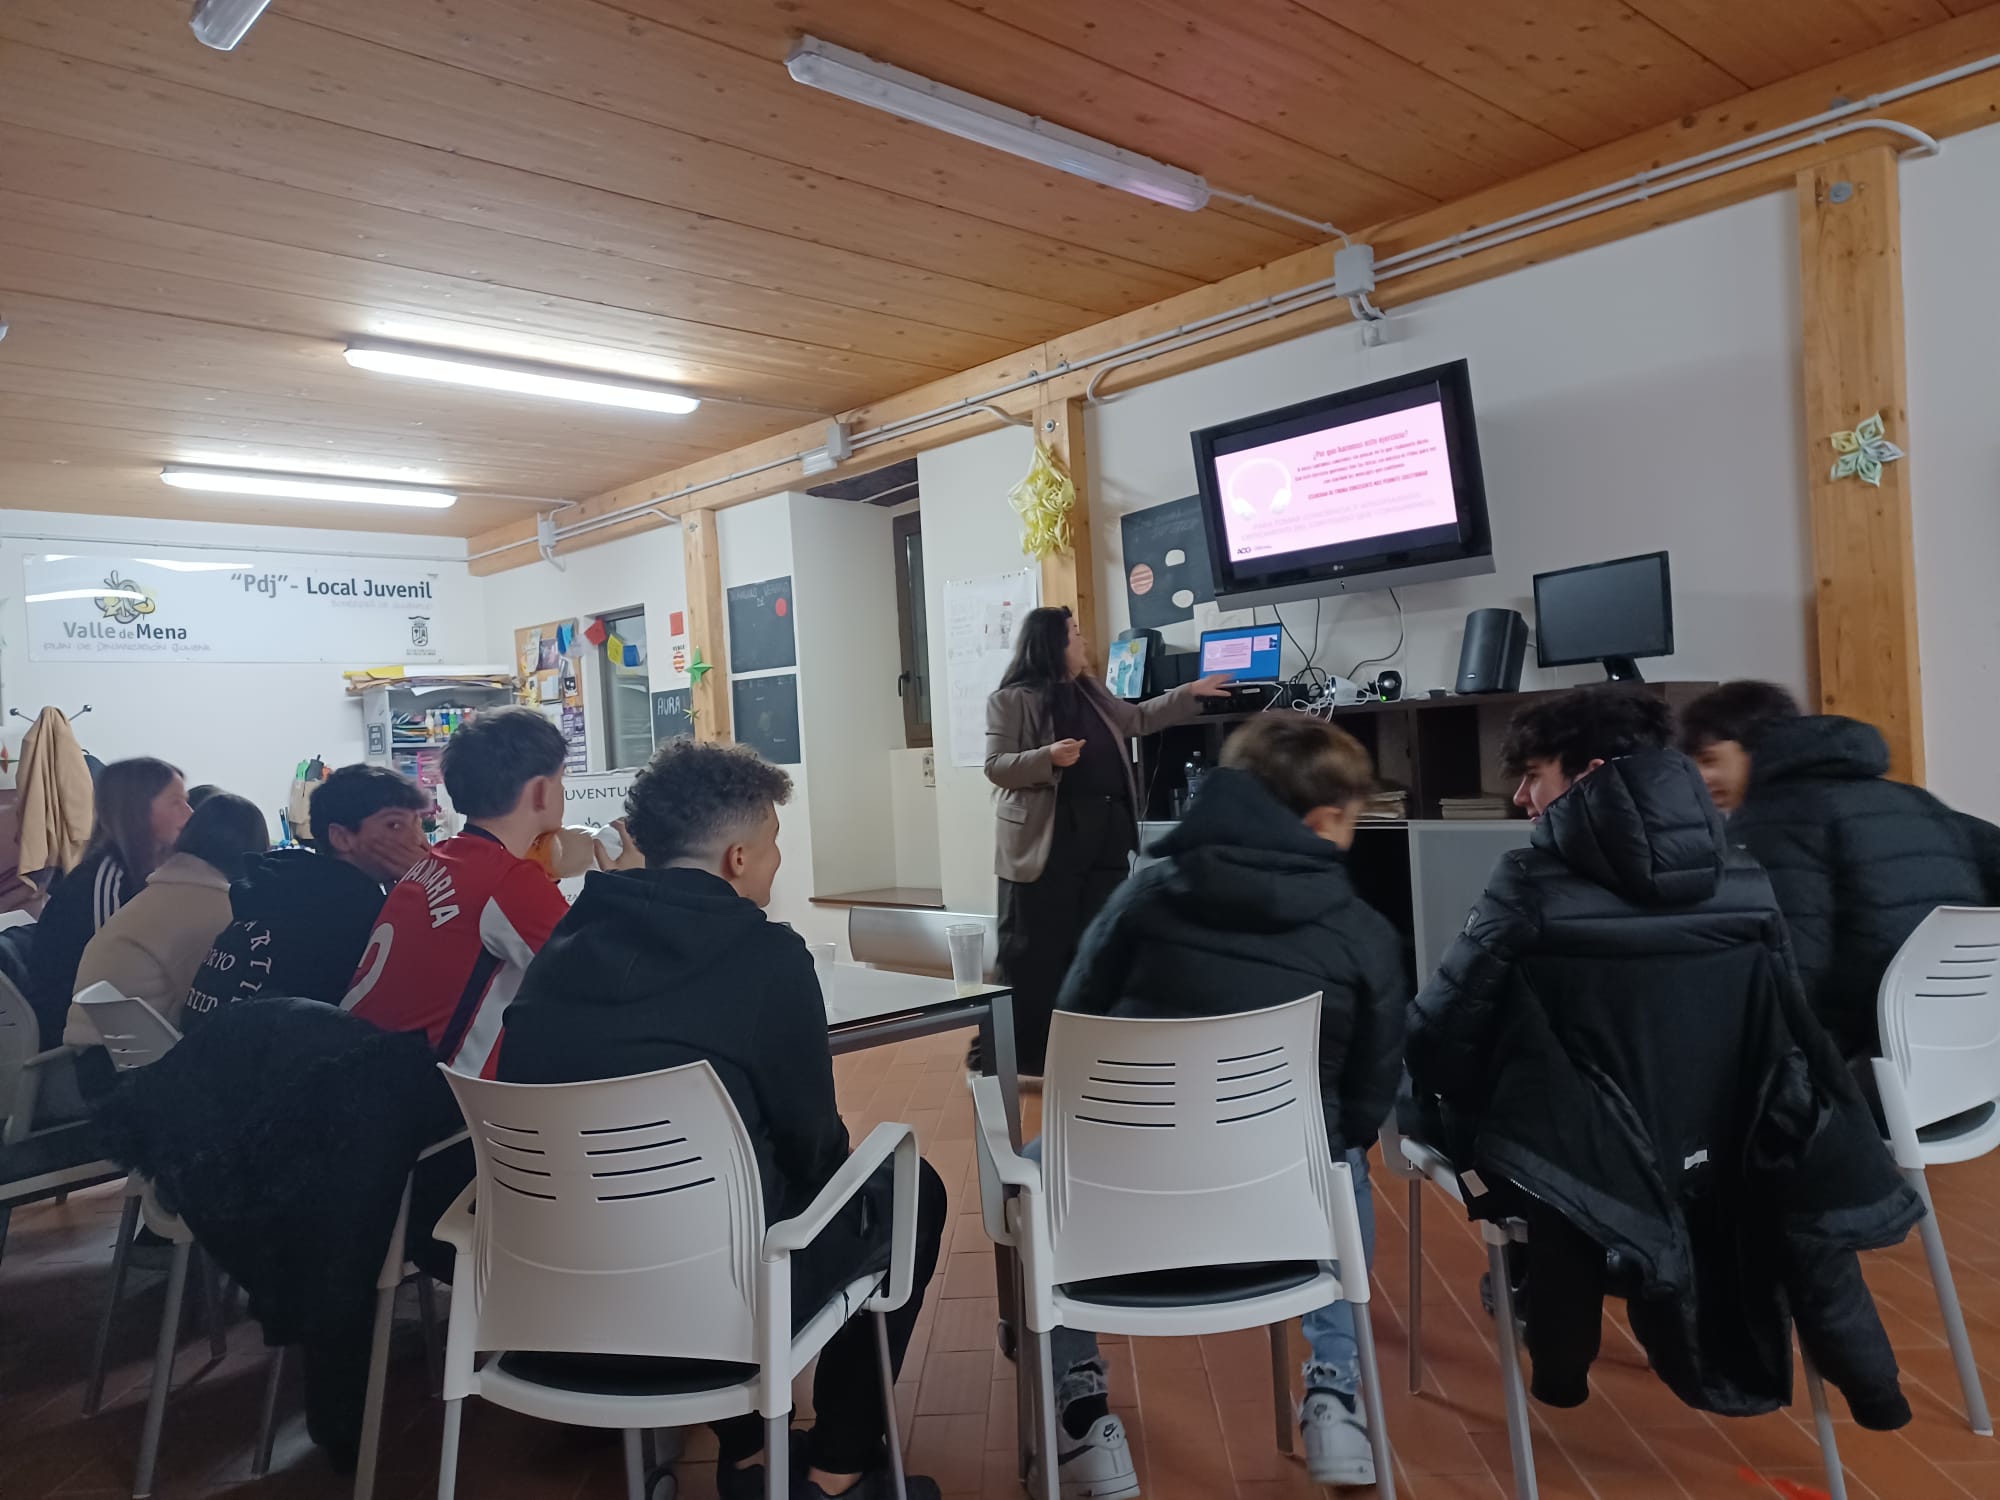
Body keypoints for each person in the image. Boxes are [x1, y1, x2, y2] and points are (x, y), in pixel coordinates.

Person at [1405, 689, 1920, 1427]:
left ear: (1589, 775)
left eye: (1533, 776)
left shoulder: (1528, 883)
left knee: (1457, 1119)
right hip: (1734, 1160)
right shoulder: (1746, 875)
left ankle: (1538, 1308)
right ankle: (1874, 1391)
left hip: (1582, 1177)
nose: (1520, 798)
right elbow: (1785, 1025)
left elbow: (1439, 1040)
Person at [500, 740, 949, 1500]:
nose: (777, 861)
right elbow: (814, 1148)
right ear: (739, 858)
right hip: (714, 1311)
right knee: (911, 1191)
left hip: (545, 1305)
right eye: (774, 843)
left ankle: (748, 1453)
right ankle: (837, 1470)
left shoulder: (563, 945)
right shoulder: (765, 956)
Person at [1042, 712, 1405, 1494]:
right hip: (1279, 1228)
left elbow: (1071, 1034)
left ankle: (1078, 1408)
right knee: (1344, 1157)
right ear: (1322, 821)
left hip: (1118, 1228)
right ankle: (1335, 1394)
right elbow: (1370, 1094)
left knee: (1037, 1171)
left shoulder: (1143, 898)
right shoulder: (1363, 934)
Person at [1680, 680, 2000, 1059]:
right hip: (1963, 1044)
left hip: (1860, 1053)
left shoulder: (1777, 815)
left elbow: (1790, 966)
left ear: (1756, 745)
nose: (1699, 777)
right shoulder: (1918, 801)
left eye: (1709, 760)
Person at [984, 605, 1230, 1075]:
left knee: (1095, 940)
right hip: (1048, 838)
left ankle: (1089, 1046)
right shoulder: (1012, 700)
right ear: (1051, 643)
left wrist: (1190, 693)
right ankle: (1028, 1056)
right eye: (1074, 633)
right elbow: (996, 767)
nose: (1083, 642)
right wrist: (1047, 757)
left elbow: (1137, 719)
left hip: (1106, 831)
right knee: (1036, 948)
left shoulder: (1090, 690)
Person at [340, 707, 570, 1078]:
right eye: (561, 780)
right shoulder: (509, 880)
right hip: (433, 1102)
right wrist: (627, 879)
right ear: (542, 791)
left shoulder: (435, 860)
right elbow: (603, 982)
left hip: (360, 1077)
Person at [183, 765, 430, 1032]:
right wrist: (428, 883)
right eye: (395, 825)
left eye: (418, 823)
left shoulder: (288, 882)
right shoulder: (351, 910)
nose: (419, 840)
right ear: (341, 838)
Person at [67, 791, 269, 1041]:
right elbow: (214, 1004)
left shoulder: (161, 890)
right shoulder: (216, 907)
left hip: (86, 1048)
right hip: (137, 1055)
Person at [26, 757, 192, 1047]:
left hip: (118, 1016)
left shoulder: (153, 871)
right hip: (83, 1032)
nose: (190, 813)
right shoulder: (105, 880)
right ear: (138, 809)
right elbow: (112, 976)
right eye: (176, 802)